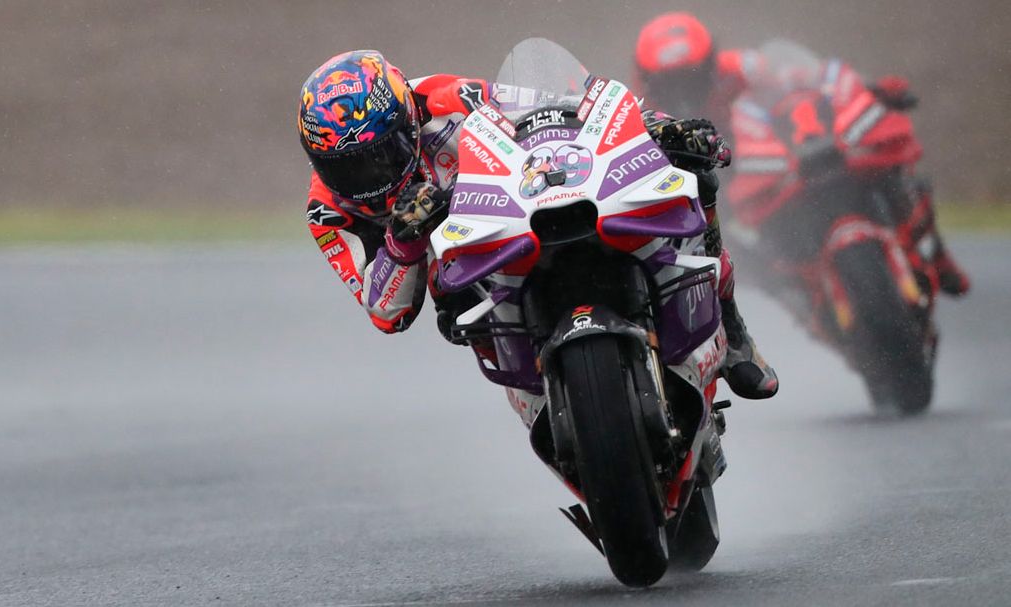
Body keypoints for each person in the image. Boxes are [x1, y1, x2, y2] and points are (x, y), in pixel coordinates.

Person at [297, 49, 778, 399]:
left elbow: (564, 104)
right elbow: (386, 313)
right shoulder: (327, 211)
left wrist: (656, 124)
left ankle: (729, 323)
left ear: (407, 117)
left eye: (381, 155)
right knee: (454, 310)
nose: (370, 178)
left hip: (516, 210)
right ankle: (547, 397)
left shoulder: (449, 98)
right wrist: (402, 241)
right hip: (463, 267)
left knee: (693, 177)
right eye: (346, 168)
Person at [631, 12, 970, 296]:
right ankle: (781, 287)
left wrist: (863, 89)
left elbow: (802, 78)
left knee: (894, 171)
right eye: (669, 82)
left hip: (772, 154)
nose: (683, 92)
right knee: (715, 244)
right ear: (648, 80)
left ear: (710, 62)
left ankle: (936, 253)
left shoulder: (742, 68)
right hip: (715, 178)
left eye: (691, 76)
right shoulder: (638, 108)